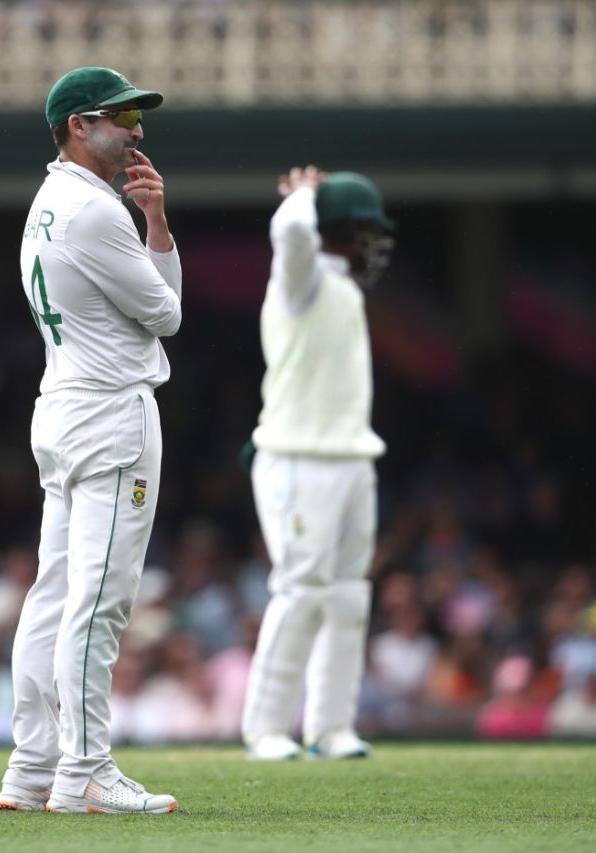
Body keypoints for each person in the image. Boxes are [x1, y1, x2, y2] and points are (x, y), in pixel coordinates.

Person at [0, 66, 181, 815]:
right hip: (110, 415)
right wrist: (158, 228)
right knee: (97, 600)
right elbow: (166, 314)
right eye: (121, 116)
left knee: (53, 595)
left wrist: (153, 219)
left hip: (64, 407)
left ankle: (32, 766)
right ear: (78, 124)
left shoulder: (47, 201)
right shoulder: (95, 212)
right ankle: (85, 772)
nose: (137, 129)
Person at [240, 166, 394, 760]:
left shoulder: (345, 289)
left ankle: (331, 727)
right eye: (365, 232)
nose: (372, 246)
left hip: (353, 455)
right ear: (342, 231)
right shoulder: (299, 280)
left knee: (349, 594)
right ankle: (267, 729)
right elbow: (290, 237)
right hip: (299, 458)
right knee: (301, 590)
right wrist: (303, 196)